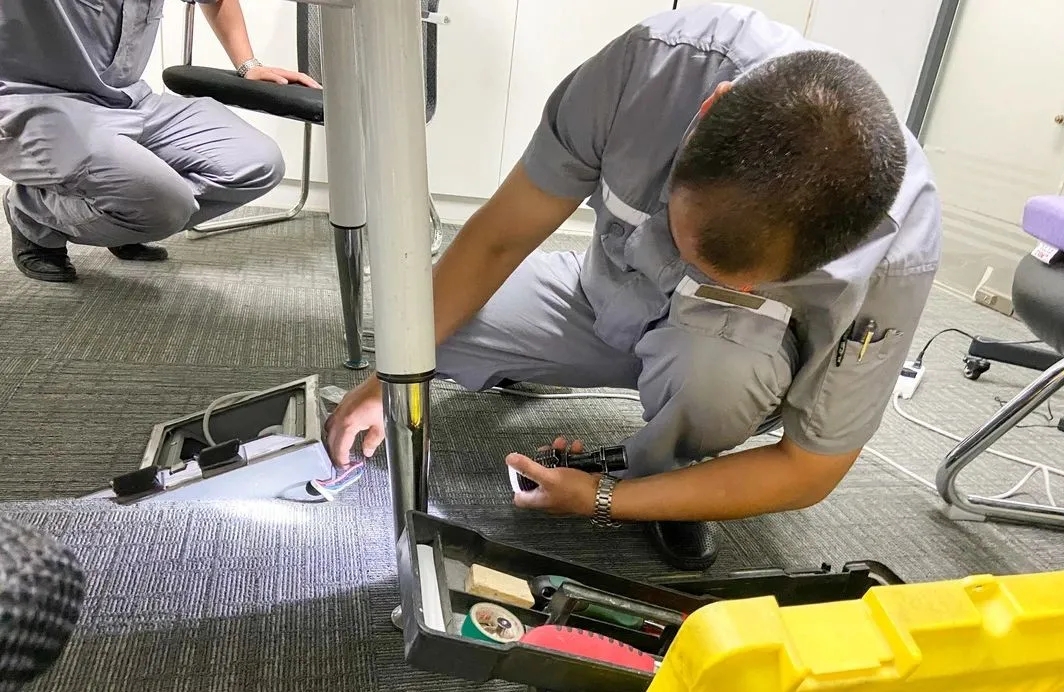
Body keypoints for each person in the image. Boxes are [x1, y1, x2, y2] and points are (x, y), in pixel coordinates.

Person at [326, 4, 942, 571]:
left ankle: (672, 471)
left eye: (737, 282)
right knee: (419, 327)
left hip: (721, 361)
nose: (698, 274)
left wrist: (605, 498)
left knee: (716, 377)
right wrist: (388, 380)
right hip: (601, 296)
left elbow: (809, 470)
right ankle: (532, 370)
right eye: (684, 238)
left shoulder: (895, 250)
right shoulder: (646, 70)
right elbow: (496, 241)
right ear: (707, 112)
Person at [0, 0, 318, 283]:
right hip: (37, 105)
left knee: (259, 163)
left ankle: (125, 217)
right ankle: (32, 216)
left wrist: (248, 64)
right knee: (165, 205)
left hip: (132, 100)